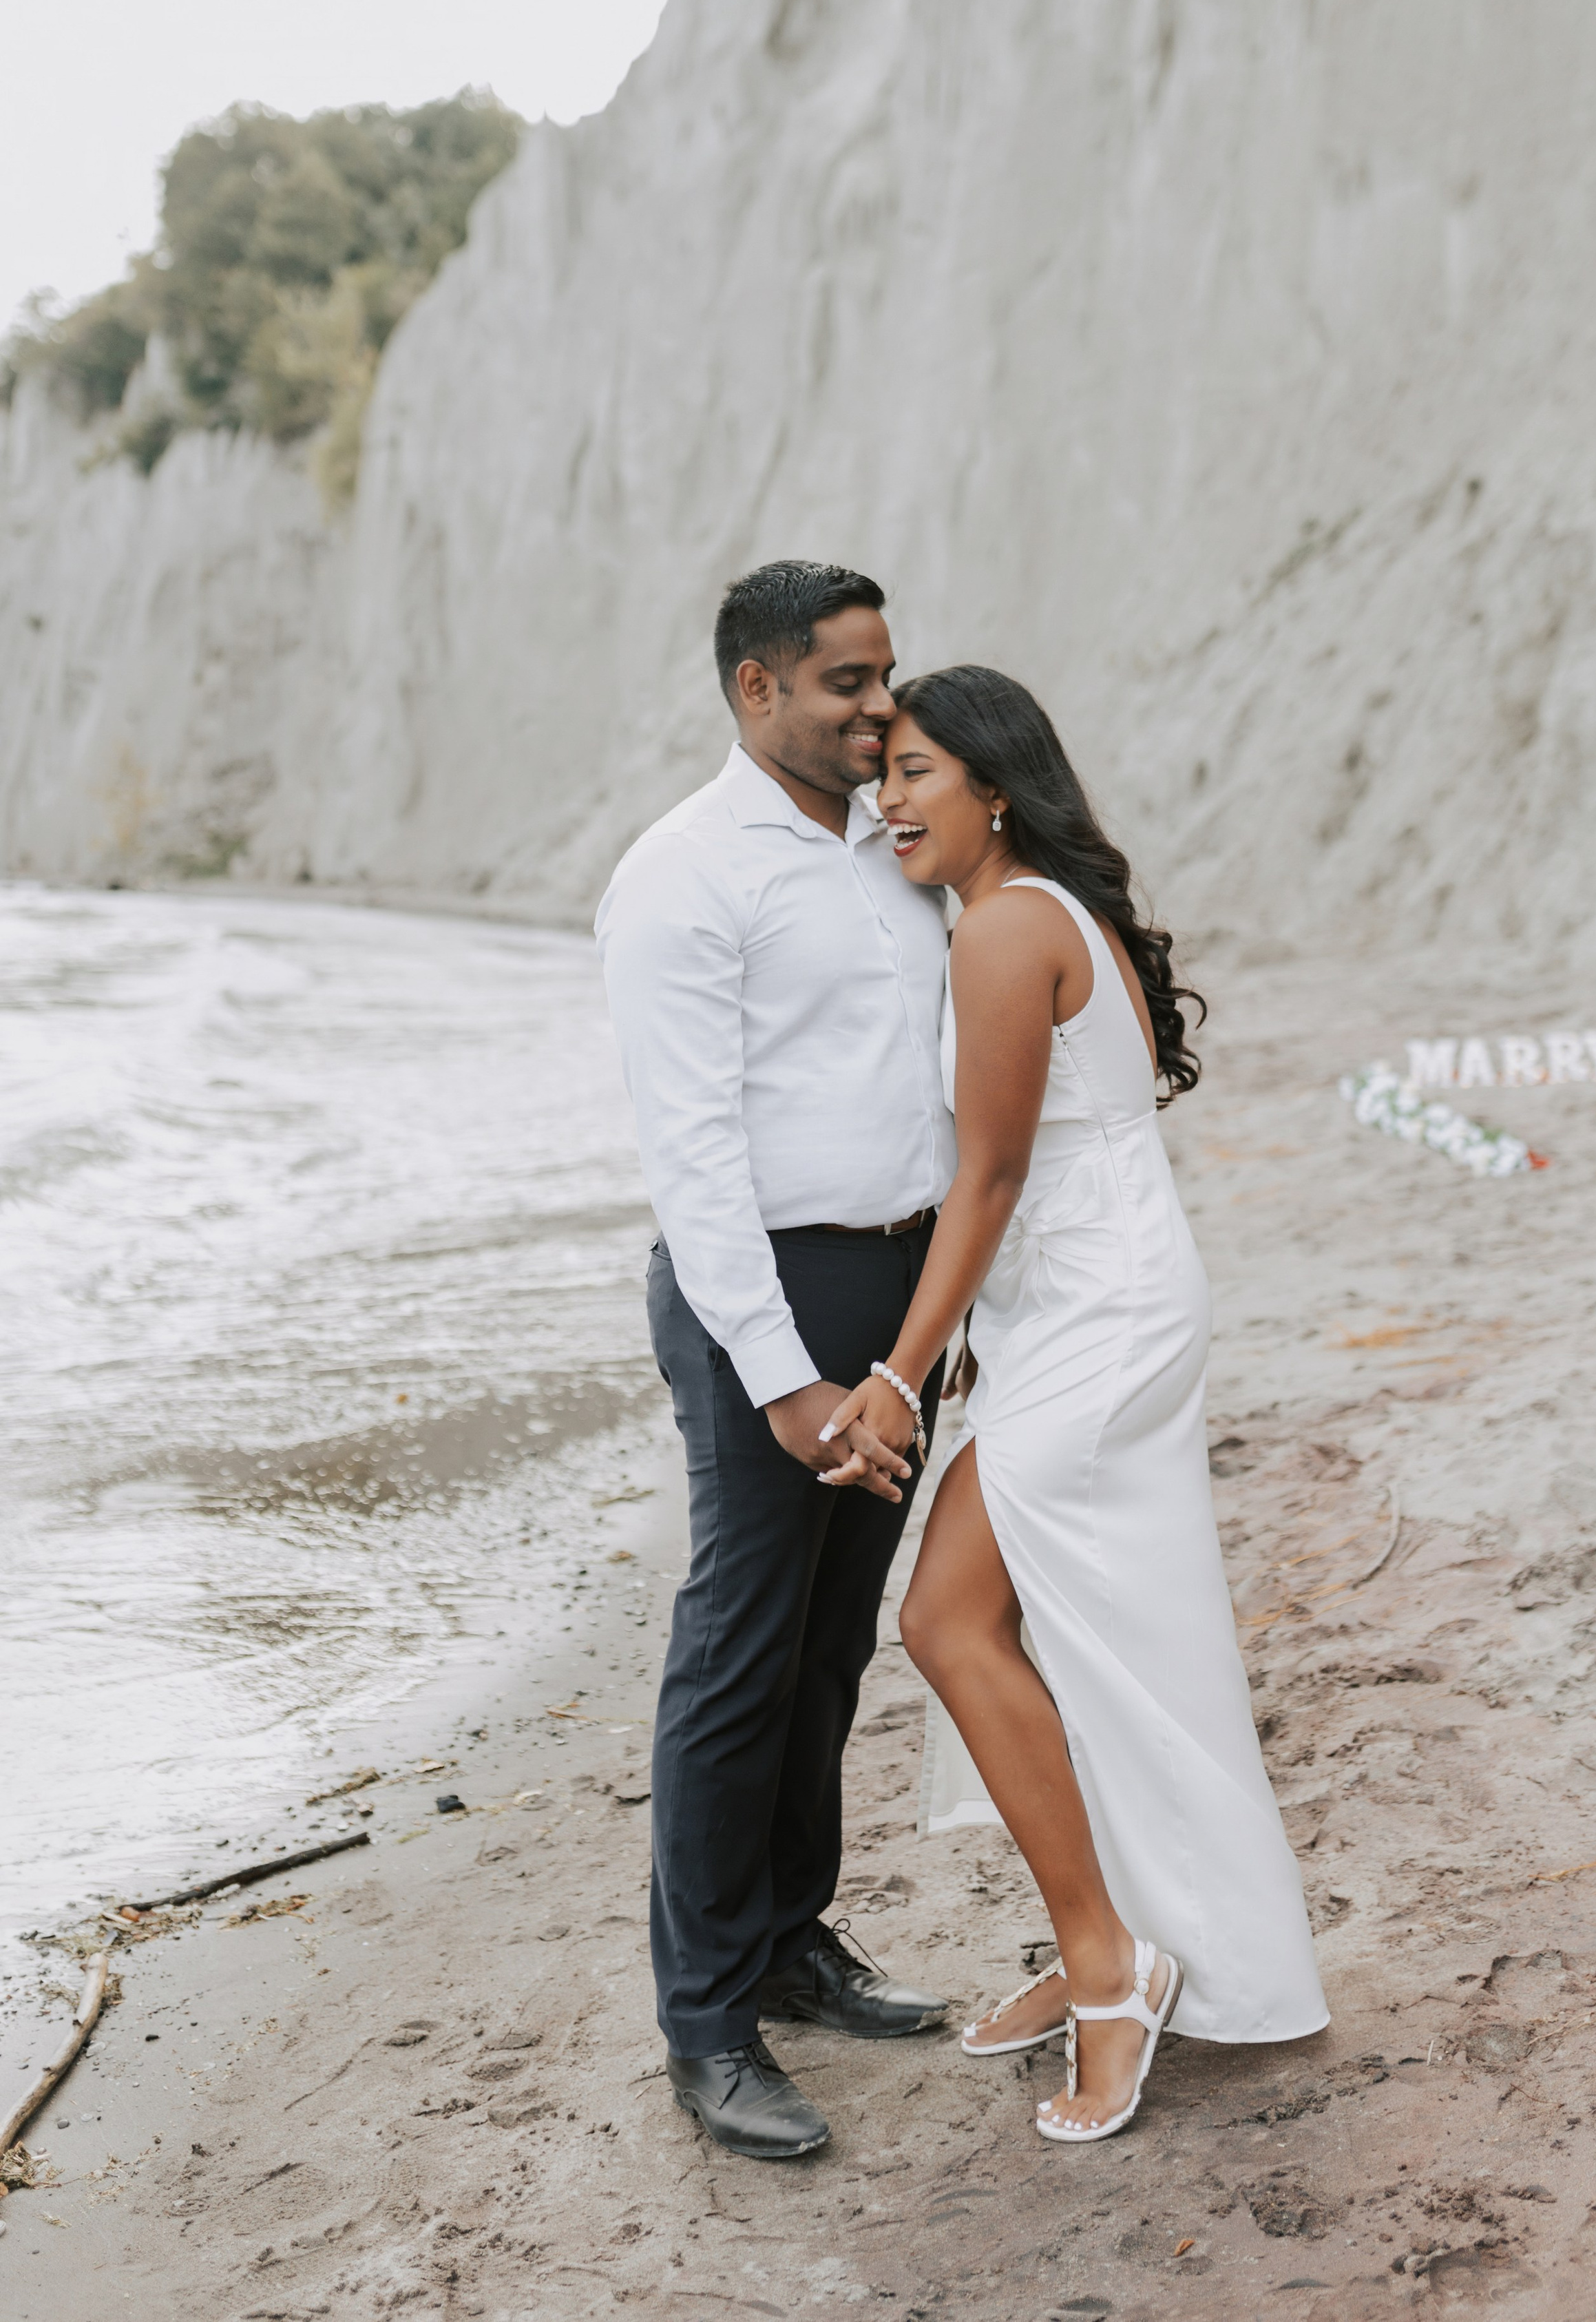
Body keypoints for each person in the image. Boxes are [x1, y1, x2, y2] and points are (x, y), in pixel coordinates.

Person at [825, 665, 1329, 2146]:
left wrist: (898, 1373)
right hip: (1083, 1304)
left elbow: (986, 1180)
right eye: (881, 774)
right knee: (1056, 1636)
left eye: (916, 770)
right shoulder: (1046, 910)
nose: (887, 797)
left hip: (1093, 1318)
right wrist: (980, 1341)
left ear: (994, 785)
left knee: (951, 1623)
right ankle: (1108, 1937)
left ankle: (1114, 1966)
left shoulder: (1003, 929)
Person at [594, 561, 954, 2162]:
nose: (880, 708)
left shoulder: (899, 848)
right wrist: (787, 1381)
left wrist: (942, 1319)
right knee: (737, 1652)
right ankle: (707, 2022)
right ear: (755, 688)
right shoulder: (679, 876)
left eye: (885, 677)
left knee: (828, 1644)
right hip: (772, 1302)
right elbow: (694, 1158)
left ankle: (794, 1941)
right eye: (844, 684)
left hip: (901, 1292)